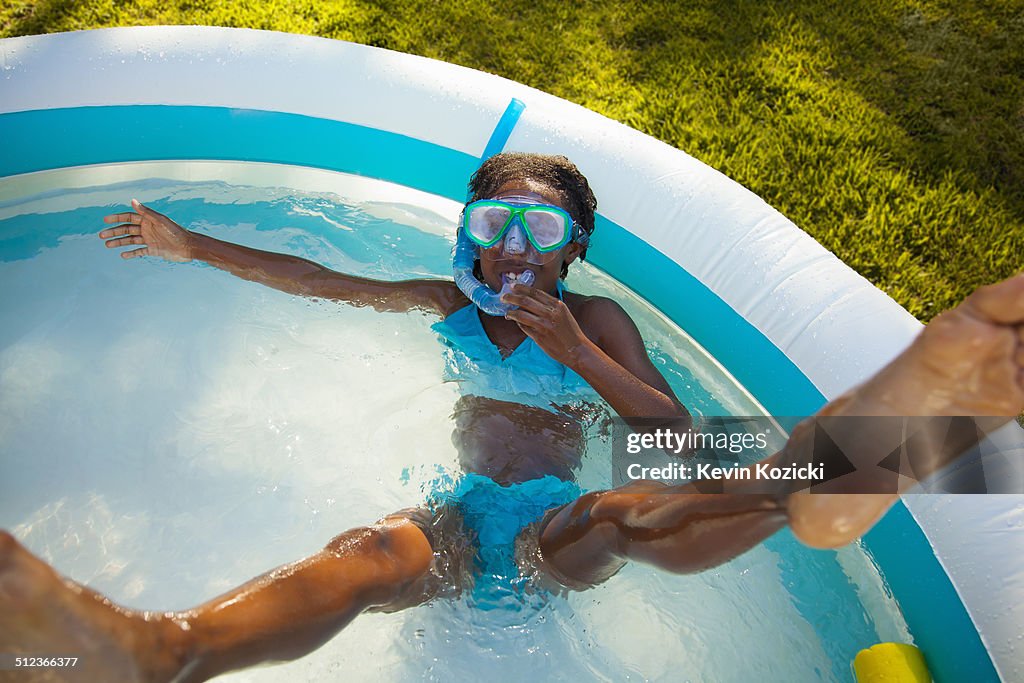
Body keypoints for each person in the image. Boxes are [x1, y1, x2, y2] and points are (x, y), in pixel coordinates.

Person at [2, 152, 1021, 682]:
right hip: (456, 511)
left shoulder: (596, 318)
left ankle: (828, 479)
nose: (517, 250)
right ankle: (164, 647)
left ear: (572, 249)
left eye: (543, 231)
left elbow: (664, 426)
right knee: (365, 549)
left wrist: (575, 350)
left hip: (548, 528)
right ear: (471, 240)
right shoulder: (446, 305)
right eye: (496, 227)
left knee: (624, 511)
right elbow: (319, 277)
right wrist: (198, 248)